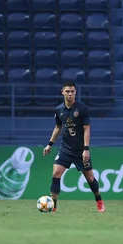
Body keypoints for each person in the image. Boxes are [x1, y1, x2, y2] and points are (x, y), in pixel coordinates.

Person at [43, 81, 105, 213]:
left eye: (72, 91)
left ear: (75, 92)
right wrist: (49, 144)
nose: (70, 94)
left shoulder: (82, 109)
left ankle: (99, 200)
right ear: (62, 92)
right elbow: (58, 127)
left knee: (90, 178)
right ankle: (53, 205)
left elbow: (87, 129)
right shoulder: (59, 109)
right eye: (67, 91)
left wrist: (86, 149)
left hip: (80, 150)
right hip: (65, 148)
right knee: (56, 173)